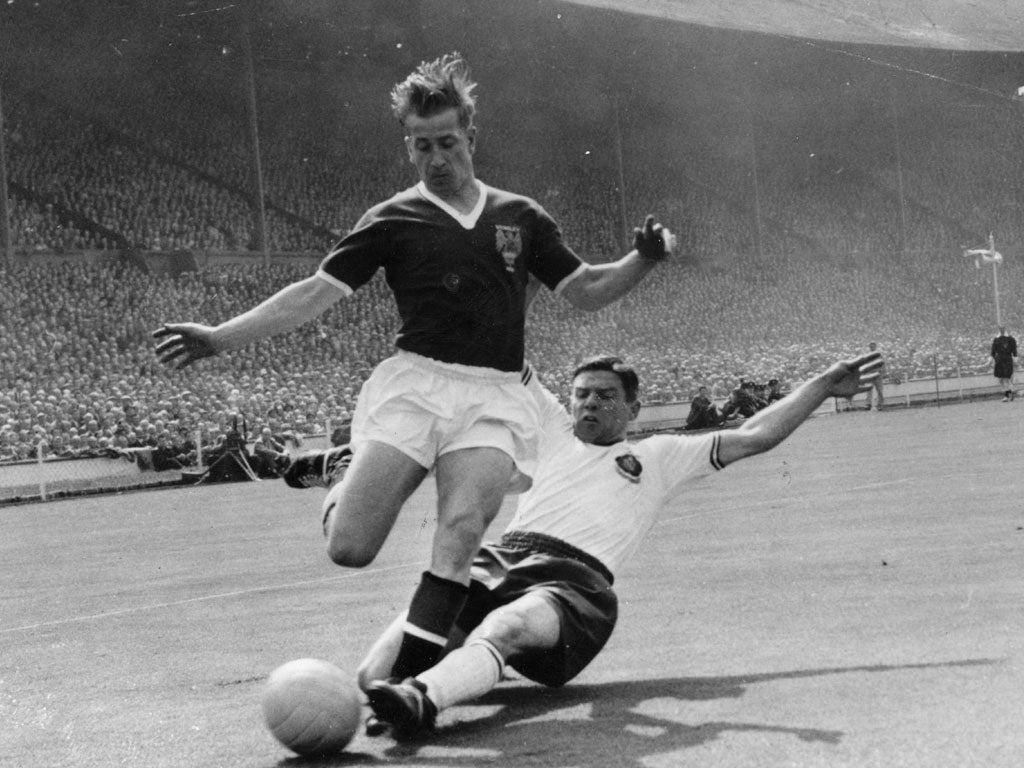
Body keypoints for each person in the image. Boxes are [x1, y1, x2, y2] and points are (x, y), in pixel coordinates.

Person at [152, 53, 671, 683]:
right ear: (410, 149)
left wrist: (641, 258)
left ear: (470, 139)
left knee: (459, 532)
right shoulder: (393, 218)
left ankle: (414, 687)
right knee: (351, 548)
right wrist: (217, 336)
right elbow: (314, 292)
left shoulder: (520, 216)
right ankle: (342, 469)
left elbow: (585, 288)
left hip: (495, 396)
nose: (436, 158)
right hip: (418, 387)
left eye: (447, 143)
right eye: (421, 147)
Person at [357, 350, 884, 740]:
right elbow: (501, 349)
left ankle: (424, 699)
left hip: (574, 582)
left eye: (606, 396)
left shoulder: (659, 456)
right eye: (582, 393)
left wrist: (819, 385)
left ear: (633, 408)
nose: (590, 403)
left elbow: (757, 435)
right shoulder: (551, 426)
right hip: (498, 560)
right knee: (372, 674)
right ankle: (423, 684)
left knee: (506, 628)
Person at [990, 327, 1017, 402]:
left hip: (1003, 360)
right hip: (1003, 360)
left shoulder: (1008, 339)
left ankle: (1007, 395)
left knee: (1005, 378)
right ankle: (1009, 394)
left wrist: (1015, 358)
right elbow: (993, 351)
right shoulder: (1008, 339)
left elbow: (993, 351)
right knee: (1003, 379)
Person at [864, 342, 885, 411]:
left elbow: (882, 364)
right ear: (869, 347)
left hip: (878, 375)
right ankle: (868, 404)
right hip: (870, 374)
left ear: (875, 346)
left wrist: (883, 372)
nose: (872, 347)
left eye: (873, 346)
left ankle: (880, 405)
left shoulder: (879, 354)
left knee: (880, 390)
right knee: (868, 390)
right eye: (871, 346)